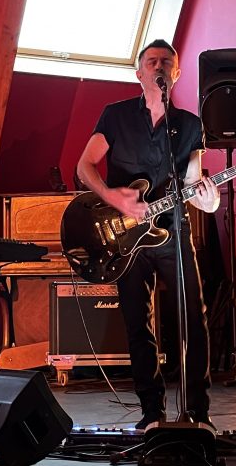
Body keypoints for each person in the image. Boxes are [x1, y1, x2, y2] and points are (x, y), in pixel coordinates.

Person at [76, 39, 220, 429]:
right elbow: (85, 166)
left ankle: (197, 411)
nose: (159, 66)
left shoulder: (190, 125)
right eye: (152, 61)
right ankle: (151, 412)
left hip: (173, 231)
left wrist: (209, 201)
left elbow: (193, 184)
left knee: (193, 319)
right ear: (139, 73)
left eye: (166, 62)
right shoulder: (116, 115)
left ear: (176, 73)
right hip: (126, 236)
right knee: (138, 321)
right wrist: (111, 196)